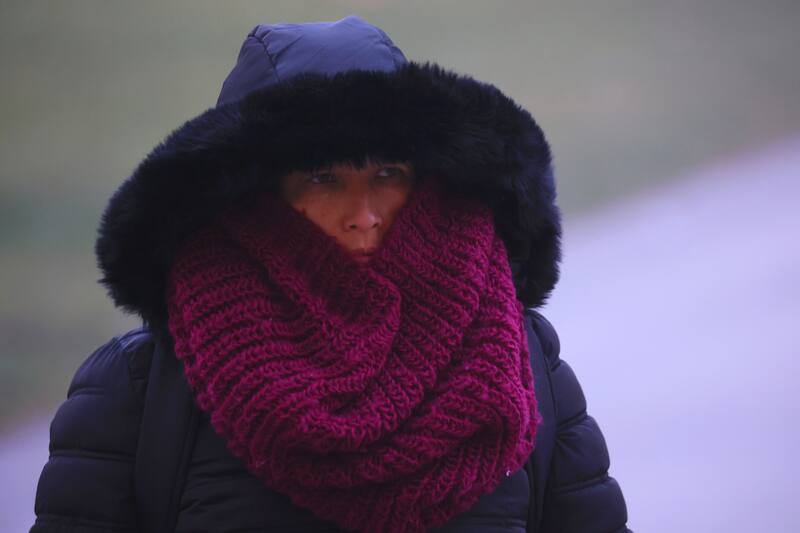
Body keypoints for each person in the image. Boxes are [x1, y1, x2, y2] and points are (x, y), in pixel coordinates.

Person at [31, 15, 631, 533]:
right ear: (253, 197)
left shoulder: (522, 364)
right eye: (323, 179)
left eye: (388, 174)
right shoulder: (141, 390)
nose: (363, 215)